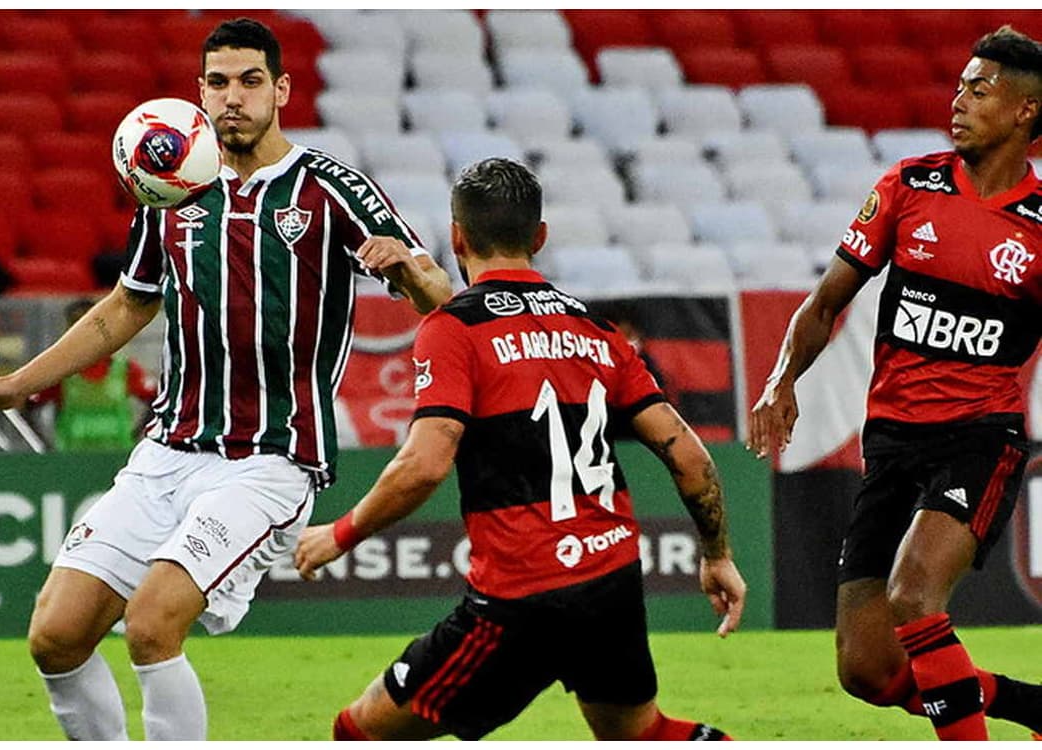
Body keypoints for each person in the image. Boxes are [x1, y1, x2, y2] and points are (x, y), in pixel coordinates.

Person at [0, 17, 452, 742]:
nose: (231, 98)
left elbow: (438, 300)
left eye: (250, 81)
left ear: (281, 90)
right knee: (56, 634)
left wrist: (410, 275)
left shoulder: (329, 187)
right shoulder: (170, 186)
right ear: (198, 91)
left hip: (270, 458)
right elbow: (125, 307)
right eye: (217, 82)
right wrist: (17, 385)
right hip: (168, 451)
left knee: (151, 623)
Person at [295, 158, 746, 741]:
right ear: (539, 237)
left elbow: (425, 464)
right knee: (641, 732)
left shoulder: (454, 329)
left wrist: (339, 534)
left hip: (522, 597)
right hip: (610, 577)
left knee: (360, 730)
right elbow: (691, 459)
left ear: (457, 237)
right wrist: (717, 555)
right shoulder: (596, 330)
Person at [749, 26, 1042, 741]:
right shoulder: (909, 186)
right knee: (869, 672)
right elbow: (825, 303)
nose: (959, 98)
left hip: (980, 438)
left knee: (914, 597)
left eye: (980, 88)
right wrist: (782, 380)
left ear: (1024, 112)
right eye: (959, 83)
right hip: (891, 444)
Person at [27, 298, 157, 452]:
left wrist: (136, 436)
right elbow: (29, 405)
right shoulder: (60, 372)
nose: (83, 330)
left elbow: (155, 400)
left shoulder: (124, 369)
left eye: (90, 322)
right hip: (73, 462)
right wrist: (47, 446)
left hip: (117, 459)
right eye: (76, 323)